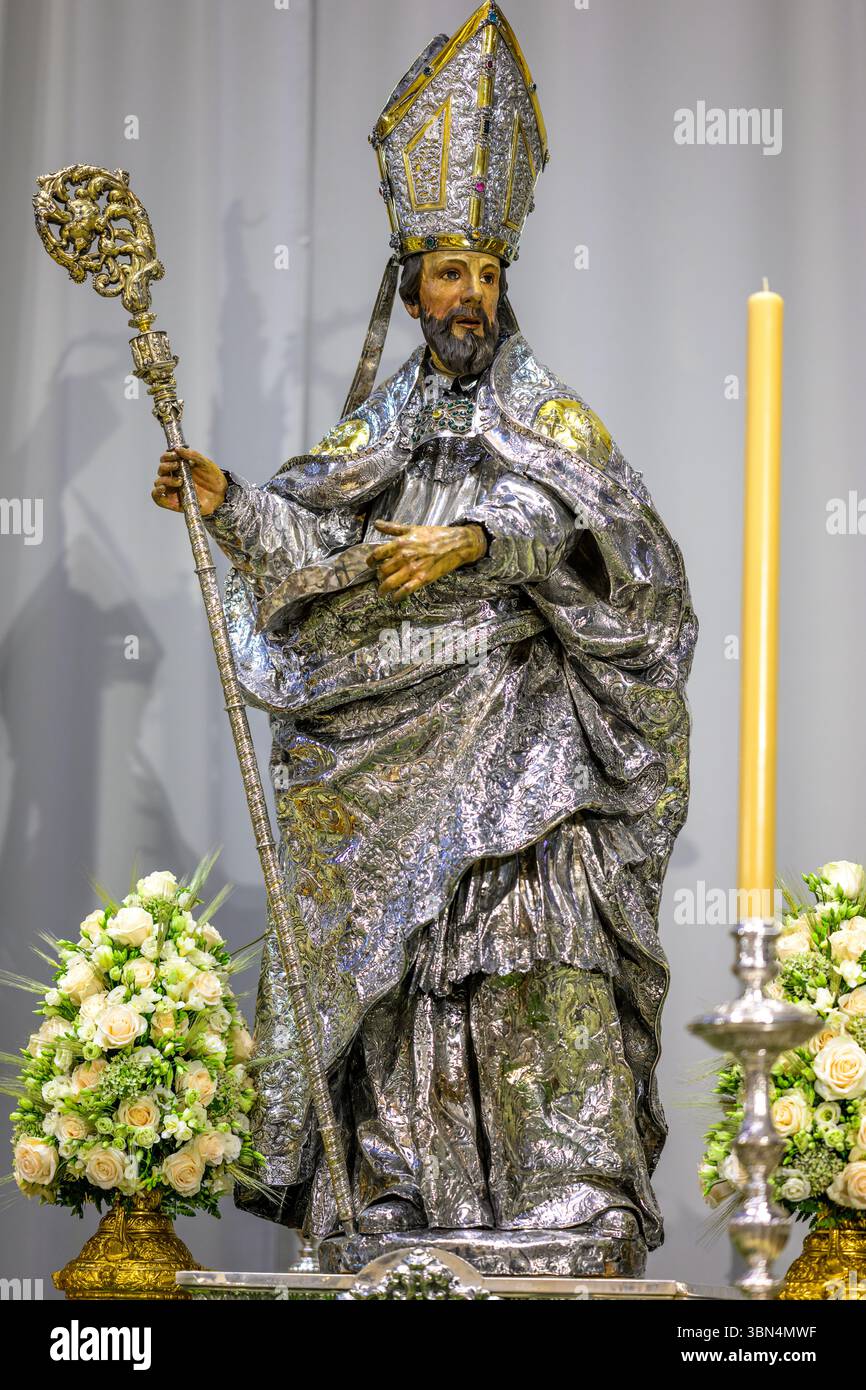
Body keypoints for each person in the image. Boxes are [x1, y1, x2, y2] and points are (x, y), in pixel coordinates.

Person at [152, 1, 697, 1278]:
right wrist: (234, 506)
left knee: (533, 944)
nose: (469, 295)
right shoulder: (376, 436)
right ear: (411, 286)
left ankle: (567, 1191)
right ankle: (397, 1192)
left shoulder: (548, 417)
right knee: (406, 975)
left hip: (530, 737)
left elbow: (623, 553)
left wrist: (479, 542)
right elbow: (321, 565)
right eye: (448, 270)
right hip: (392, 754)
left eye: (488, 272)